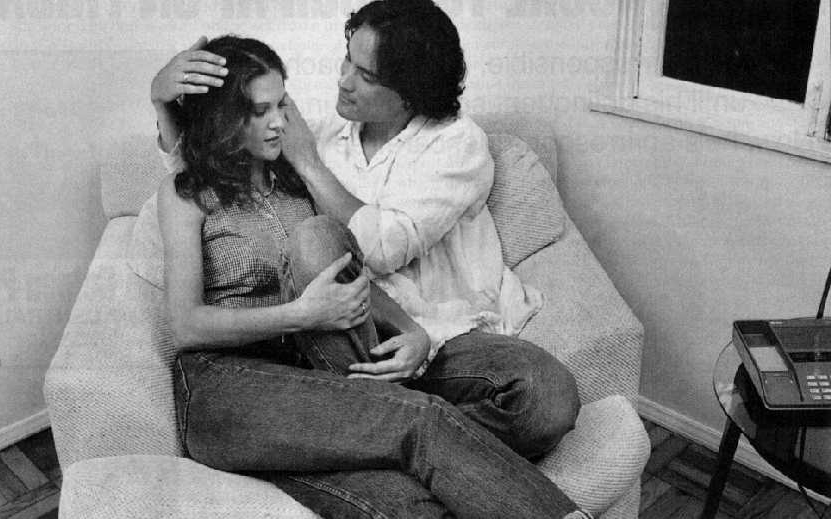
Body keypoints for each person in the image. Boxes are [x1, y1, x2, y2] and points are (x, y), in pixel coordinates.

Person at [151, 10, 589, 519]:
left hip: (310, 379)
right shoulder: (185, 193)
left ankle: (334, 446)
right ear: (226, 119)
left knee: (413, 507)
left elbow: (349, 273)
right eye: (260, 110)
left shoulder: (293, 177)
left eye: (282, 104)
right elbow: (185, 325)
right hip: (223, 387)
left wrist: (413, 331)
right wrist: (301, 315)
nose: (280, 122)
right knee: (420, 420)